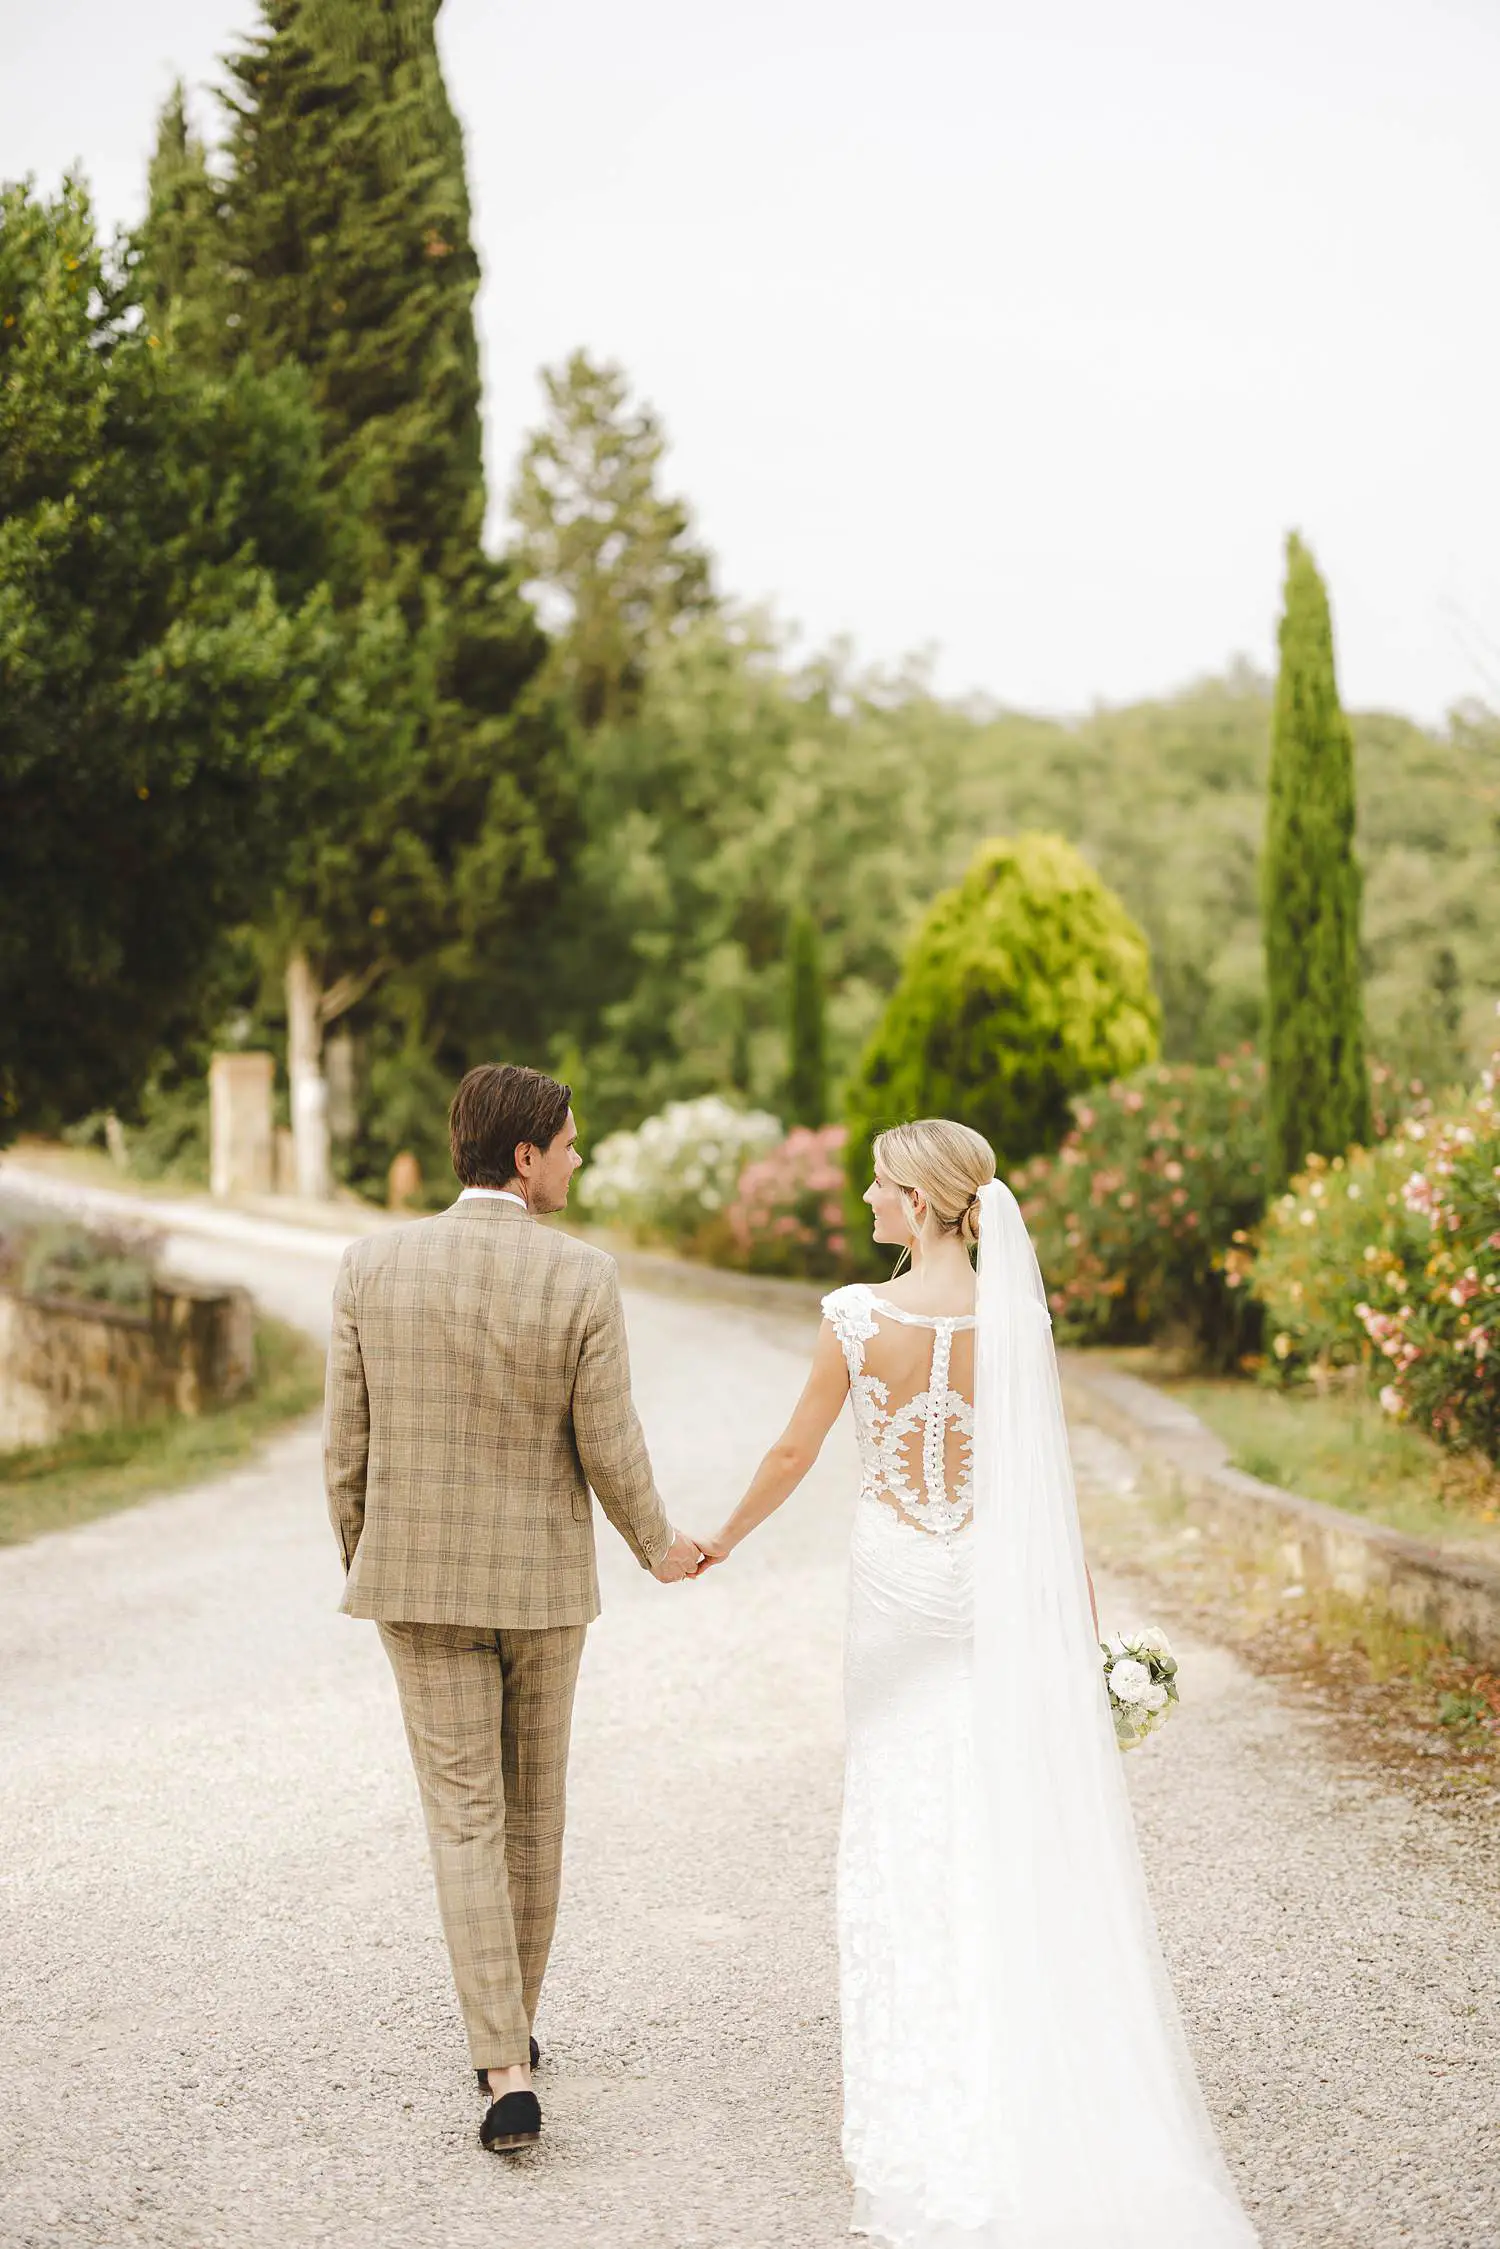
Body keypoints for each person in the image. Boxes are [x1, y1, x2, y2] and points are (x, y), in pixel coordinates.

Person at [698, 1119, 1259, 2248]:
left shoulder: (856, 1316)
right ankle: (1020, 2045)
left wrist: (717, 1540)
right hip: (990, 1584)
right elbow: (1045, 1488)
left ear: (916, 1199)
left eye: (879, 1181)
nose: (864, 1194)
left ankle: (928, 2069)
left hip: (899, 1586)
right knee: (991, 1800)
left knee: (905, 1802)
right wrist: (1085, 1640)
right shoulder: (1014, 1322)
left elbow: (793, 1454)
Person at [322, 1063, 704, 2154]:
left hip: (417, 1583)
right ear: (526, 1156)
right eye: (571, 1143)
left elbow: (344, 1444)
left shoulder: (370, 1264)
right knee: (534, 1813)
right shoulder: (583, 1275)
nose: (580, 1159)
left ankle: (503, 2055)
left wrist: (372, 1557)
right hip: (541, 1590)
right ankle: (511, 2046)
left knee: (464, 1817)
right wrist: (660, 1549)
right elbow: (610, 1442)